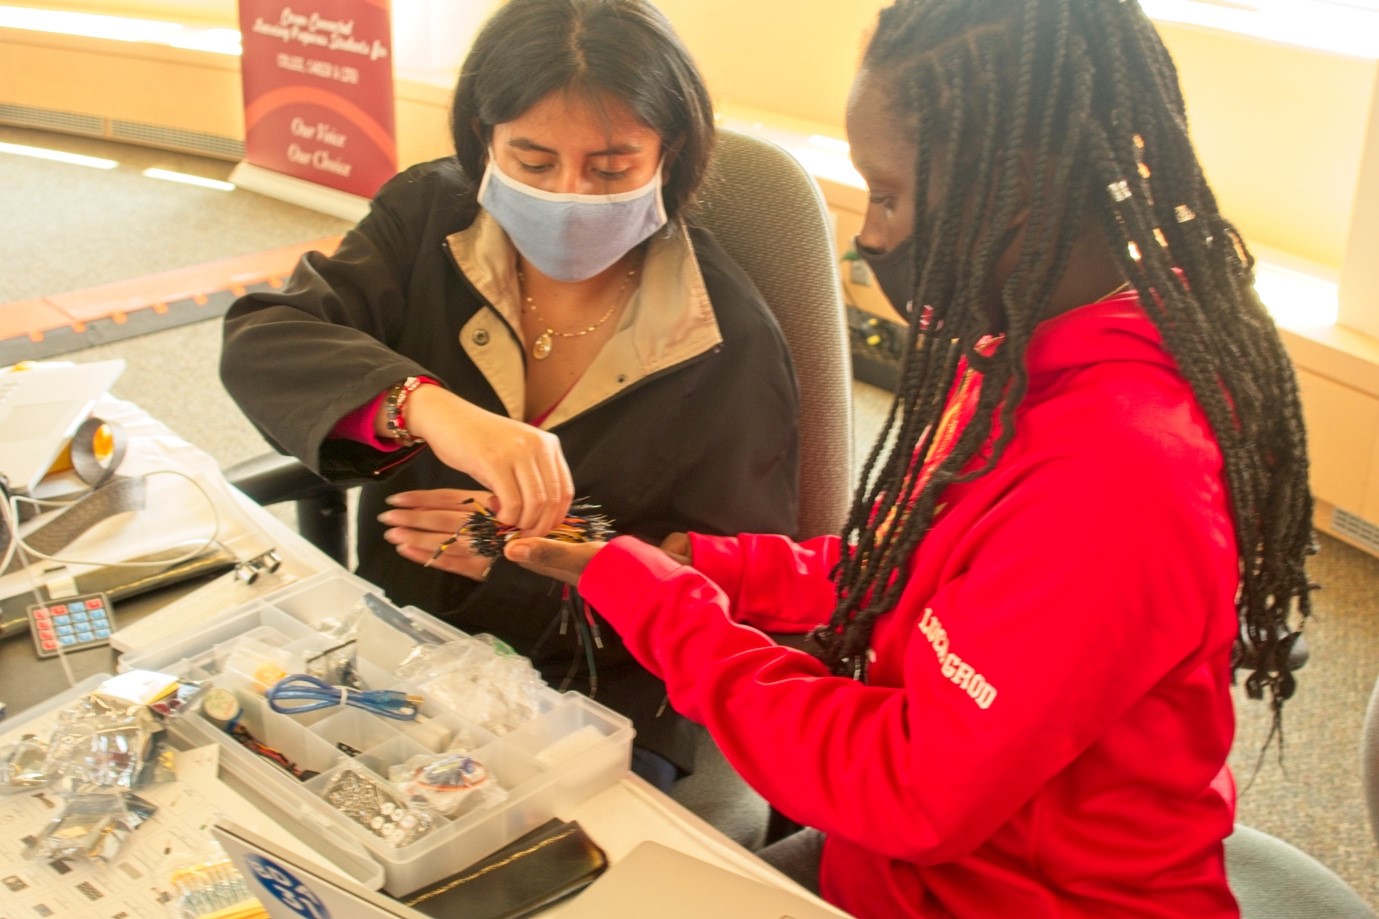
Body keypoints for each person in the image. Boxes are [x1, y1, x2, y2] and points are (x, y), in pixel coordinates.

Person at [503, 0, 1316, 915]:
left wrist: (671, 613)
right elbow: (913, 573)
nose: (871, 239)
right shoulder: (1006, 350)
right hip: (903, 871)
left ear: (1021, 189)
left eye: (885, 195)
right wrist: (708, 563)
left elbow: (905, 785)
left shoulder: (1119, 479)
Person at [219, 0, 800, 791]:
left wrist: (525, 556)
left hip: (601, 693)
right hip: (407, 636)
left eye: (610, 168)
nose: (568, 195)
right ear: (481, 142)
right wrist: (425, 406)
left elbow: (737, 595)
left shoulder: (724, 338)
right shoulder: (428, 217)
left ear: (672, 154)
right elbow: (267, 335)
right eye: (531, 162)